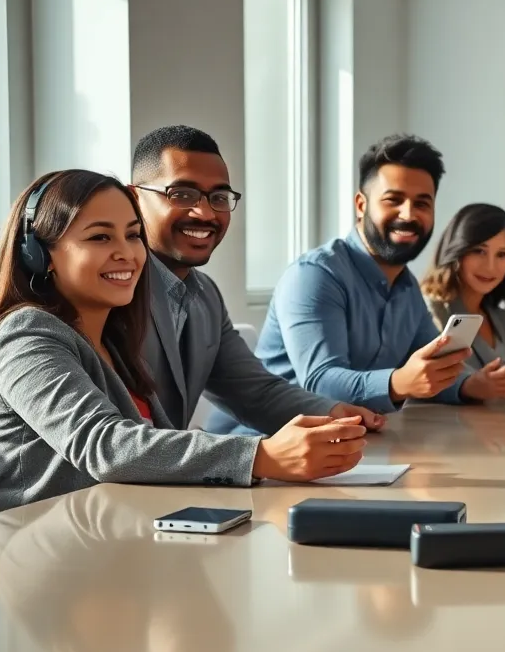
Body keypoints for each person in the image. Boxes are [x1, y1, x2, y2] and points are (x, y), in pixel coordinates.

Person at [0, 170, 370, 511]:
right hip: (51, 555)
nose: (126, 253)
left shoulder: (118, 342)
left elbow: (156, 450)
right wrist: (261, 456)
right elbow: (106, 447)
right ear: (40, 255)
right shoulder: (25, 334)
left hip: (124, 538)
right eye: (99, 238)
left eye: (132, 236)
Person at [207, 134, 505, 433]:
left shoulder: (406, 287)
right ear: (361, 205)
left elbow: (428, 368)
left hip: (349, 444)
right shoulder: (314, 275)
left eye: (422, 203)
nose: (408, 214)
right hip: (261, 445)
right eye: (394, 200)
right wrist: (398, 382)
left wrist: (471, 385)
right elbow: (320, 381)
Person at [130, 125, 380, 433]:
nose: (205, 213)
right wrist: (261, 456)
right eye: (182, 194)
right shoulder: (112, 291)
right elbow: (119, 441)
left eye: (219, 197)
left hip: (165, 477)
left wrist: (335, 412)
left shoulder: (205, 295)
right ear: (134, 198)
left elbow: (254, 392)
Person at [420, 203, 505, 392]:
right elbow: (431, 383)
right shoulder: (429, 311)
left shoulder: (502, 316)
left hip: (500, 419)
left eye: (502, 254)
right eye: (479, 251)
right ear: (457, 249)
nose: (490, 267)